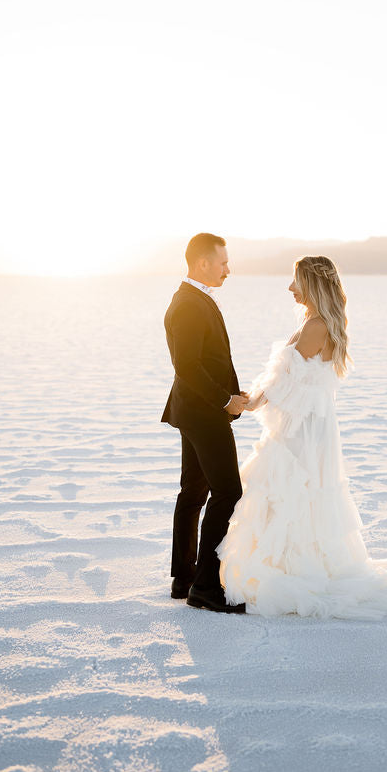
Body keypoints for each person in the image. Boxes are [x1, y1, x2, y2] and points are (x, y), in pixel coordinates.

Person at [217, 255, 387, 618]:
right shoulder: (317, 322)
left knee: (293, 492)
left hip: (302, 432)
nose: (290, 288)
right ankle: (292, 563)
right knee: (296, 495)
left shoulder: (316, 327)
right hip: (311, 425)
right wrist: (255, 398)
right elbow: (289, 380)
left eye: (296, 282)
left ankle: (295, 570)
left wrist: (249, 405)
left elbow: (285, 383)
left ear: (312, 284)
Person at [161, 233, 249, 613]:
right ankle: (206, 588)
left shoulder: (195, 299)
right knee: (227, 493)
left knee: (194, 493)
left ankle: (186, 578)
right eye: (223, 262)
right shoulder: (187, 304)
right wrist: (224, 400)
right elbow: (188, 367)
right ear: (202, 264)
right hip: (203, 413)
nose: (228, 269)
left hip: (197, 411)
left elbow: (207, 362)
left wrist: (234, 394)